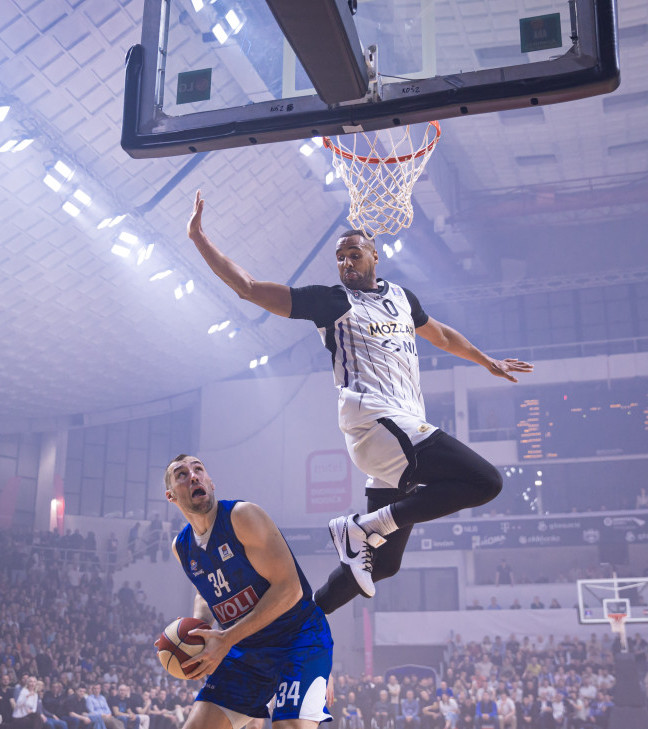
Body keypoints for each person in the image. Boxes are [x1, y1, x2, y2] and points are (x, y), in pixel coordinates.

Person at [186, 192, 533, 607]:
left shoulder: (402, 299)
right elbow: (249, 289)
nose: (346, 263)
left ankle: (304, 620)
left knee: (382, 565)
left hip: (401, 430)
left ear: (374, 256)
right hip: (375, 424)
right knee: (485, 482)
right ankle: (361, 527)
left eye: (353, 254)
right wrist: (199, 239)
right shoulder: (333, 301)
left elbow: (439, 334)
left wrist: (484, 360)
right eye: (340, 257)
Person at [160, 454, 334, 729]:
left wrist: (226, 639)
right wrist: (200, 635)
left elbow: (290, 589)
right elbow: (205, 593)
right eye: (181, 474)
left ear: (210, 483)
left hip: (298, 641)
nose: (193, 476)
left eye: (198, 469)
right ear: (171, 496)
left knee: (288, 726)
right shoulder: (181, 547)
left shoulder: (242, 516)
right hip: (247, 653)